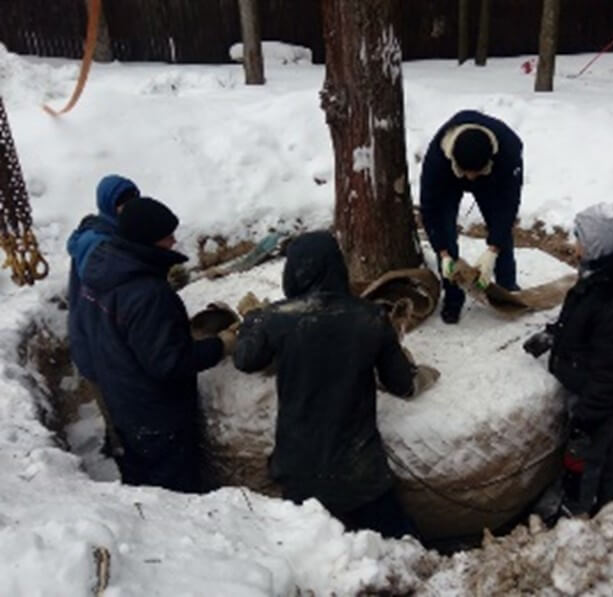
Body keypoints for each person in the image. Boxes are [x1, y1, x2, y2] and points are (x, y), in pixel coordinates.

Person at [234, 231, 428, 539]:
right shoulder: (370, 317)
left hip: (299, 470)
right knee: (401, 543)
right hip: (359, 470)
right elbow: (401, 382)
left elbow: (246, 359)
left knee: (308, 549)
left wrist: (252, 319)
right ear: (338, 267)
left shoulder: (276, 319)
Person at [71, 196, 236, 492]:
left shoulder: (101, 270)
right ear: (146, 239)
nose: (174, 241)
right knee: (172, 491)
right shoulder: (147, 293)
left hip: (123, 399)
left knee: (140, 479)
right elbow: (170, 363)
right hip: (156, 414)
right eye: (166, 236)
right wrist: (221, 344)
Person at [523, 203, 613, 519]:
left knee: (581, 460)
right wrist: (554, 335)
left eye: (579, 236)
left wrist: (588, 416)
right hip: (589, 388)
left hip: (595, 399)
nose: (574, 242)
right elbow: (582, 321)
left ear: (595, 244)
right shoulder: (600, 277)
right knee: (605, 446)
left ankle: (575, 513)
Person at [420, 109, 524, 324]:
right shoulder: (436, 160)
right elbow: (431, 209)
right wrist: (443, 251)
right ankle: (453, 297)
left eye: (476, 173)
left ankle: (507, 289)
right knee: (445, 230)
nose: (470, 178)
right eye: (466, 173)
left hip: (492, 177)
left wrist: (493, 249)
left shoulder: (509, 150)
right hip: (449, 178)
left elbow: (508, 204)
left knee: (499, 226)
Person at [67, 174, 140, 378]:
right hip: (96, 330)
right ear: (109, 205)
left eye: (134, 199)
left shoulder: (114, 231)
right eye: (123, 202)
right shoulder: (98, 244)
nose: (130, 206)